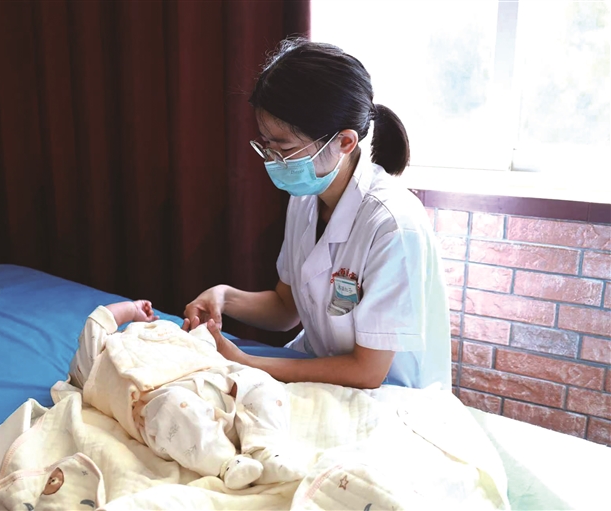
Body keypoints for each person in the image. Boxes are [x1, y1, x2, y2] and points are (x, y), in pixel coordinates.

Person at [184, 39, 450, 391]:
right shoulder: (307, 197)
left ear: (344, 142)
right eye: (266, 143)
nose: (272, 159)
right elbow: (285, 308)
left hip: (390, 393)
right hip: (323, 369)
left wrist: (247, 363)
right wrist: (223, 296)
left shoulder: (392, 226)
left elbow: (367, 372)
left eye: (284, 147)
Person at [68, 300, 305, 490]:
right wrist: (131, 308)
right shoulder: (103, 356)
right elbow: (98, 321)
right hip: (182, 417)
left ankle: (266, 448)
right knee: (171, 407)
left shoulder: (166, 334)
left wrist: (194, 338)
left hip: (221, 388)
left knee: (260, 382)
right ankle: (227, 463)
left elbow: (204, 350)